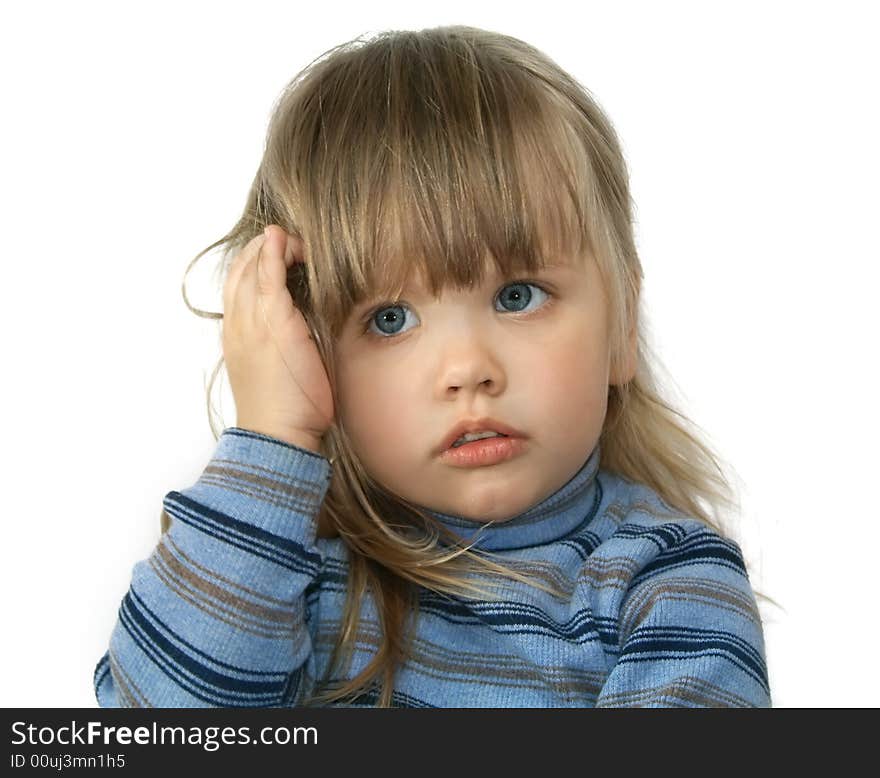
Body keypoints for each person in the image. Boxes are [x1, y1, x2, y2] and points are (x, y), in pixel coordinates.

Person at [93, 25, 772, 707]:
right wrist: (271, 440)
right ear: (307, 345)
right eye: (390, 319)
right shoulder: (281, 585)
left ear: (623, 322)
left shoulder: (668, 587)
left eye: (518, 296)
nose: (467, 369)